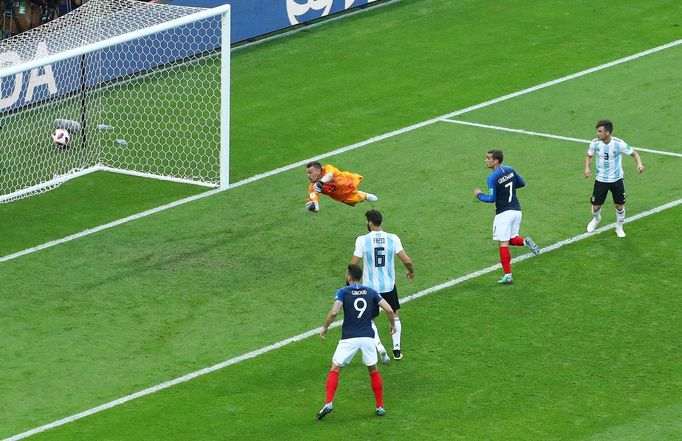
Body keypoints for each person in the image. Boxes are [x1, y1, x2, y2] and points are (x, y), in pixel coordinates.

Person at [317, 264, 396, 420]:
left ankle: (328, 403)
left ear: (348, 277)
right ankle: (380, 406)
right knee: (373, 370)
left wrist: (325, 327)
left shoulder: (343, 292)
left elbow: (334, 312)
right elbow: (389, 309)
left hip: (349, 337)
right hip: (368, 336)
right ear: (361, 277)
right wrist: (393, 324)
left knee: (335, 369)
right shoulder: (371, 292)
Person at [350, 209, 413, 361]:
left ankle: (379, 346)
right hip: (389, 286)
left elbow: (353, 264)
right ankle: (396, 349)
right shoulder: (393, 238)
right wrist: (411, 271)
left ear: (370, 223)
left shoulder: (362, 240)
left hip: (370, 289)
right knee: (394, 314)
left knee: (368, 319)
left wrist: (350, 281)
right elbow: (407, 261)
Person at [474, 149, 540, 285]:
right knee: (511, 239)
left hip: (504, 214)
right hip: (517, 211)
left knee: (503, 243)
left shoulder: (492, 177)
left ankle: (507, 275)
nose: (485, 160)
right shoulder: (510, 169)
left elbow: (491, 198)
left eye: (488, 158)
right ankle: (525, 242)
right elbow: (521, 183)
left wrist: (479, 195)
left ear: (496, 161)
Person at [584, 119, 644, 237]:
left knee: (619, 206)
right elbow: (589, 155)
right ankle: (596, 219)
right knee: (596, 207)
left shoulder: (619, 143)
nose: (597, 134)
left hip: (616, 180)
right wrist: (587, 168)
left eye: (600, 131)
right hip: (601, 179)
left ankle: (619, 227)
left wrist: (639, 164)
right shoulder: (595, 143)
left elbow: (634, 153)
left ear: (607, 133)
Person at [304, 161, 377, 212]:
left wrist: (321, 182)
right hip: (340, 195)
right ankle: (363, 195)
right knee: (355, 201)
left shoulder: (327, 168)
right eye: (307, 173)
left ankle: (363, 194)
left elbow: (329, 175)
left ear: (319, 171)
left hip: (348, 182)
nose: (308, 176)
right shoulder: (312, 187)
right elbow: (315, 202)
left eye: (310, 172)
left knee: (356, 190)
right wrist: (314, 207)